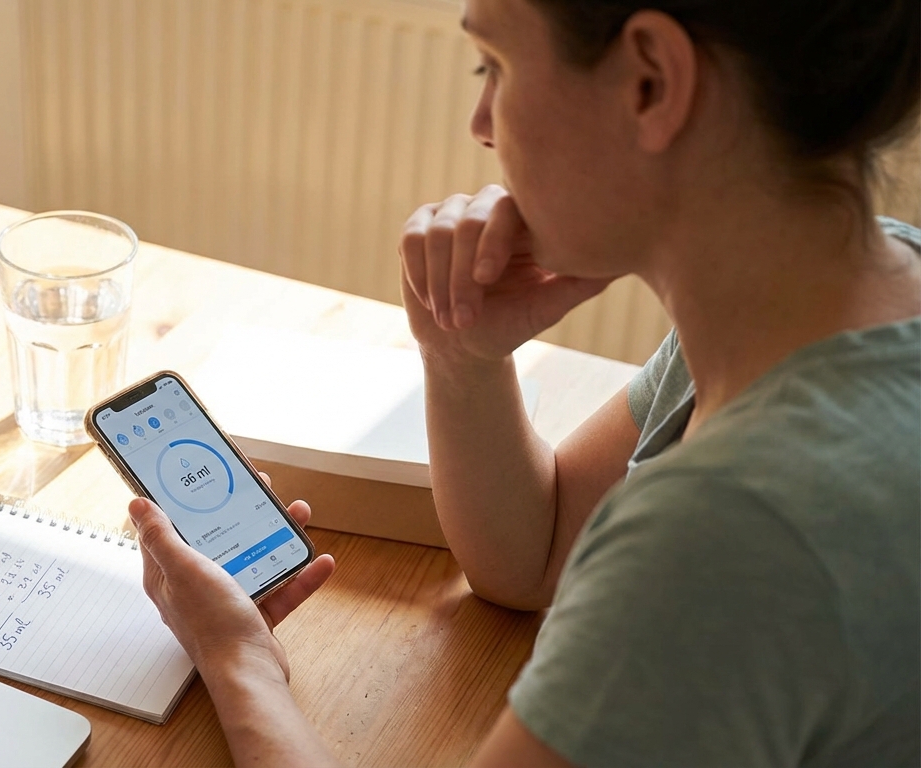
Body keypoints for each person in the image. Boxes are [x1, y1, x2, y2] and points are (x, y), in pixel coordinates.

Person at [125, 0, 921, 764]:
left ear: (651, 80)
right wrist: (461, 359)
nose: (481, 125)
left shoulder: (729, 532)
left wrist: (236, 659)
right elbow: (532, 557)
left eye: (494, 64)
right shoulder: (840, 290)